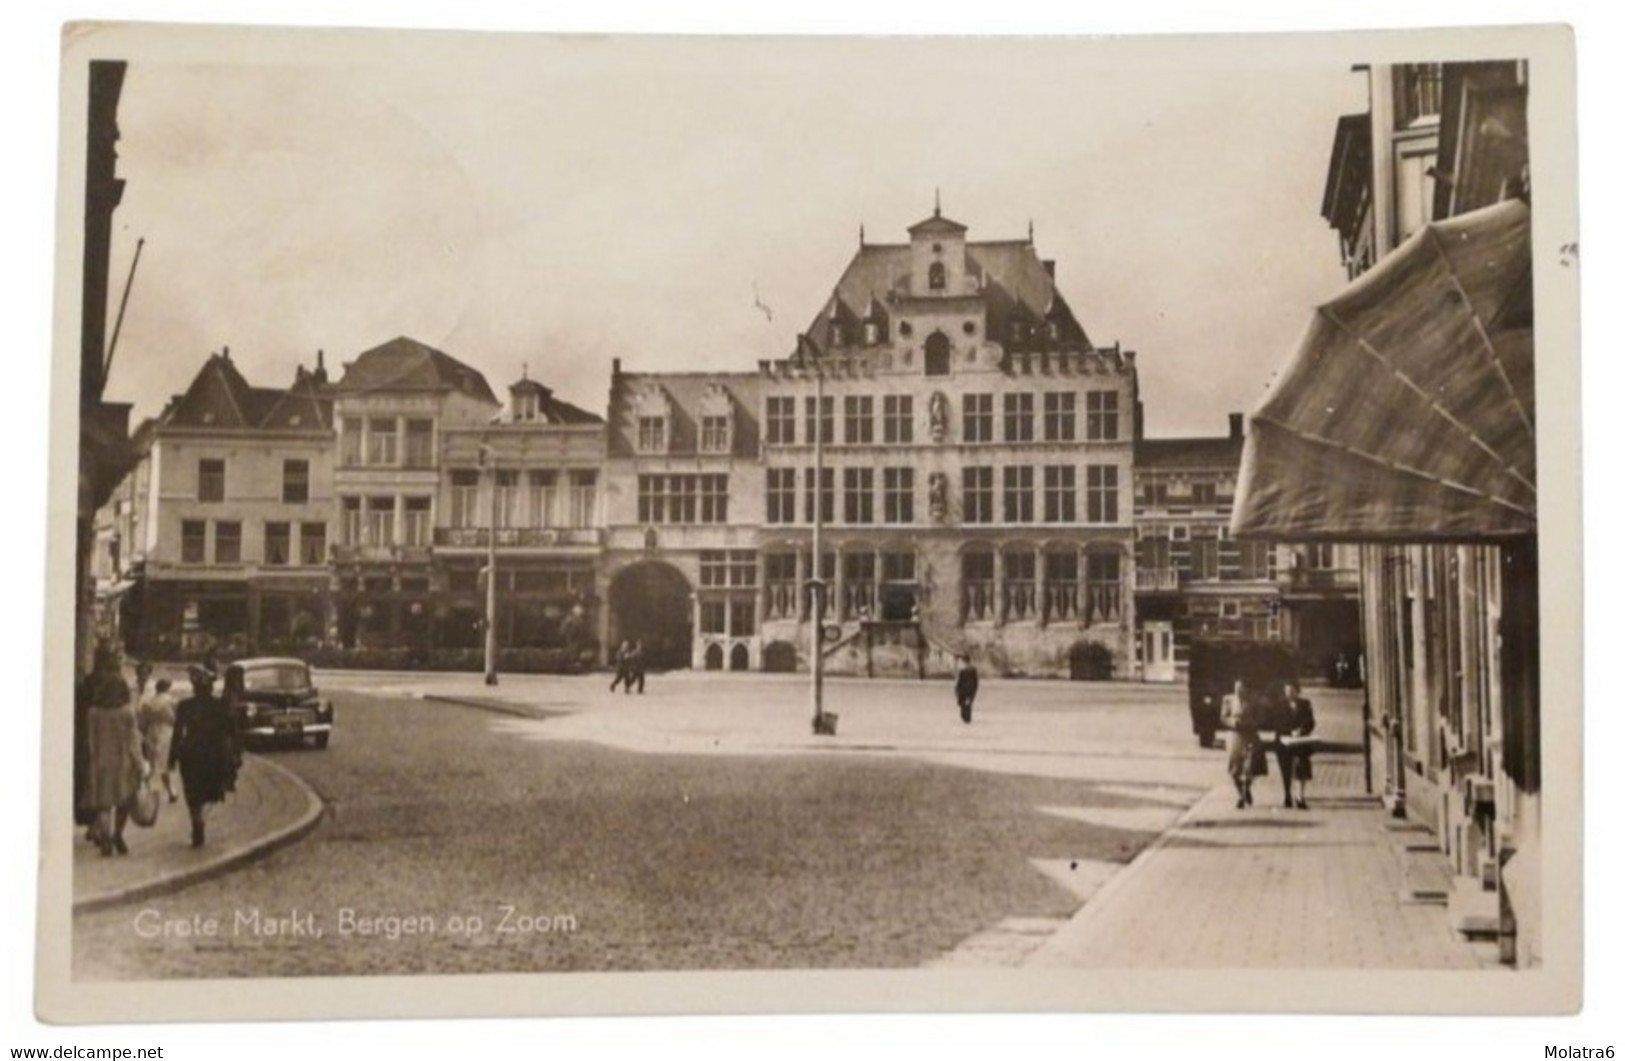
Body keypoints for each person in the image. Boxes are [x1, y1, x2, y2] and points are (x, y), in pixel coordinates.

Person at [81, 643, 144, 856]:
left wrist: (92, 760)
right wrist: (139, 762)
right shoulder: (127, 712)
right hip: (123, 762)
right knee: (124, 801)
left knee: (103, 804)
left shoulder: (94, 713)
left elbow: (90, 741)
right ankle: (118, 833)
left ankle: (105, 839)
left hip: (100, 762)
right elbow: (133, 739)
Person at [170, 665, 242, 848]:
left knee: (192, 792)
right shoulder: (219, 706)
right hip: (213, 752)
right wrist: (236, 752)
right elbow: (232, 731)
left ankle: (196, 821)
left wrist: (171, 758)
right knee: (212, 791)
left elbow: (177, 733)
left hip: (190, 752)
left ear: (194, 687)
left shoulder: (185, 706)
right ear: (211, 686)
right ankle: (201, 820)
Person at [1273, 682, 1317, 809]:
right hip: (1283, 742)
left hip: (1300, 742)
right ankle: (1287, 795)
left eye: (1292, 690)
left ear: (1297, 691)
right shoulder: (1279, 705)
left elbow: (1310, 721)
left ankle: (1300, 797)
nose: (1289, 693)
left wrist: (1301, 730)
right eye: (1287, 691)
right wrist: (1289, 731)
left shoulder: (1305, 704)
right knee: (1285, 769)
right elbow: (1276, 722)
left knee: (1301, 769)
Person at [1220, 678, 1263, 809]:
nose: (1238, 691)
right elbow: (1223, 717)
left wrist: (1250, 723)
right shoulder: (1228, 700)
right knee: (1234, 769)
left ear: (1245, 689)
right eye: (1236, 688)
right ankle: (1242, 792)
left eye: (1241, 688)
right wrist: (1232, 723)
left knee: (1250, 767)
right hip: (1235, 736)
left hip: (1250, 736)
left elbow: (1261, 717)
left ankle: (1244, 793)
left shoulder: (1253, 700)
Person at [137, 677, 179, 803]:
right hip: (167, 733)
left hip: (151, 733)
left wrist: (145, 732)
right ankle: (168, 791)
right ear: (167, 688)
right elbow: (176, 720)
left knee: (152, 762)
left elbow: (142, 723)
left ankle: (153, 789)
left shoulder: (148, 703)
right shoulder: (172, 702)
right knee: (164, 764)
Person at [954, 654, 979, 724]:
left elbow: (960, 681)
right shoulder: (972, 669)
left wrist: (956, 689)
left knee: (964, 704)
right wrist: (974, 689)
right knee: (968, 704)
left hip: (964, 689)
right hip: (970, 689)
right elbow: (975, 681)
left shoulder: (963, 670)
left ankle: (966, 717)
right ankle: (967, 718)